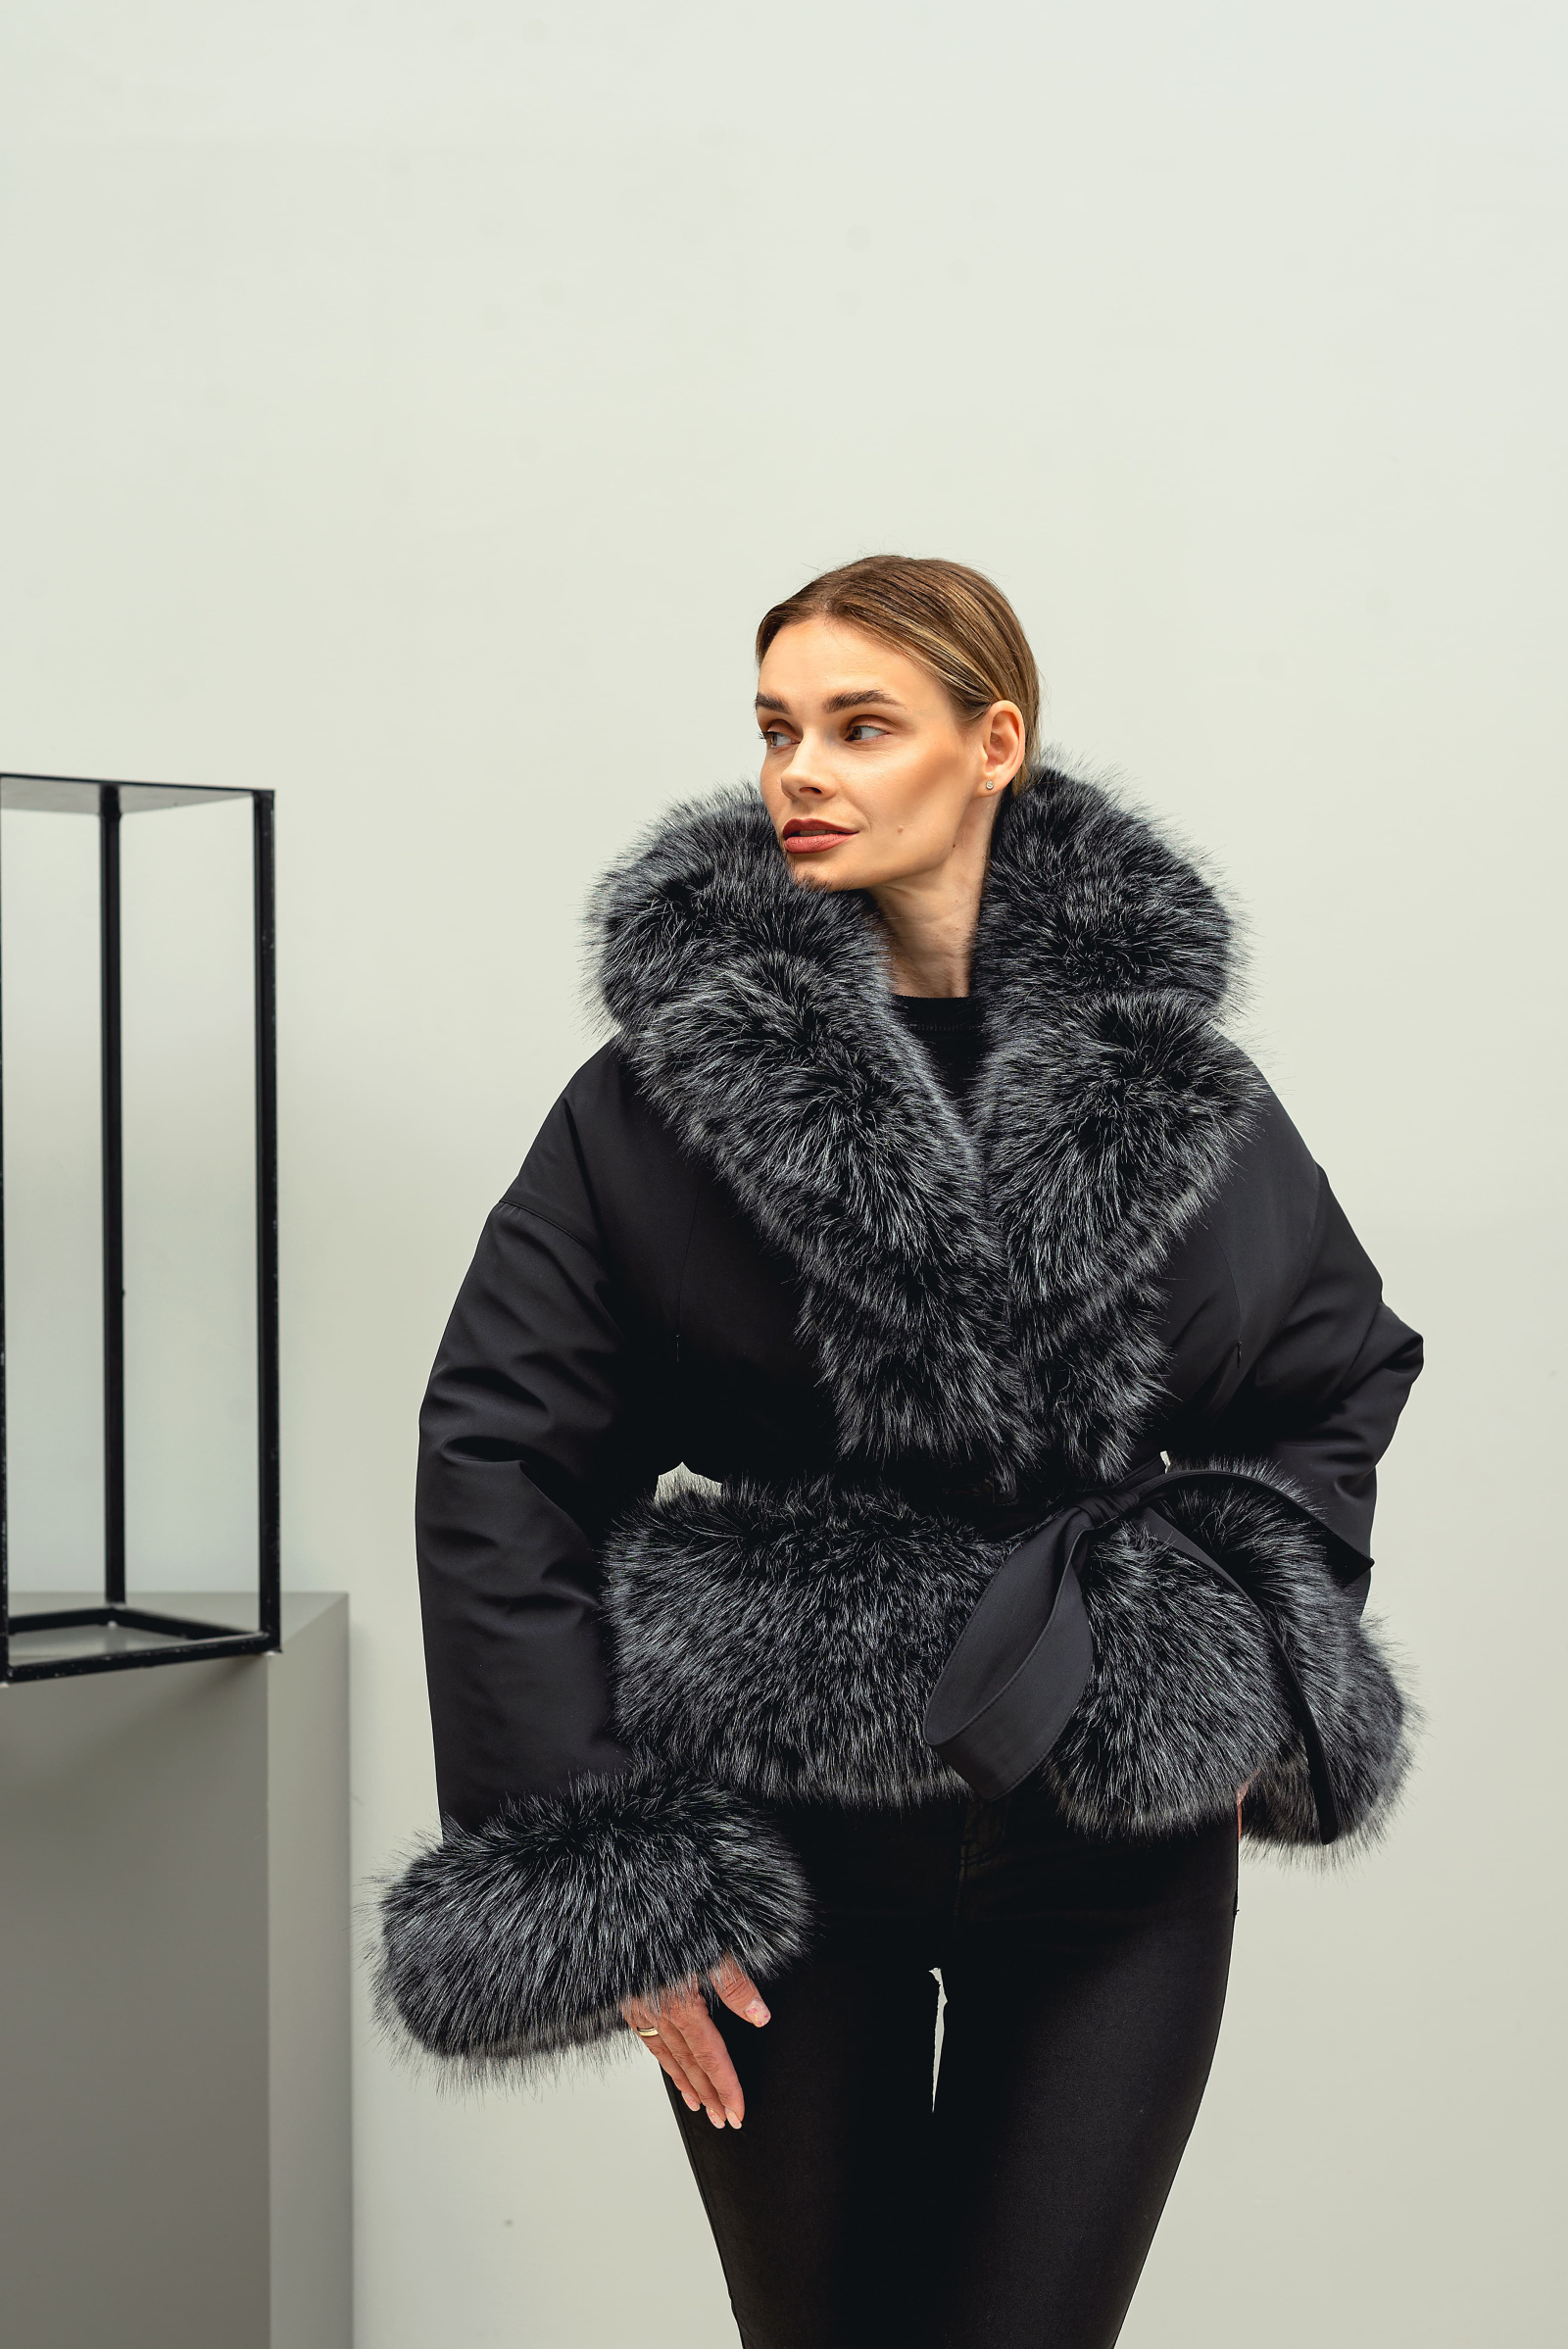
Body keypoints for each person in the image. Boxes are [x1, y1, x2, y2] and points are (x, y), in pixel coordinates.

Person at [377, 556, 1422, 2348]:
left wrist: (1236, 1642)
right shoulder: (654, 1096)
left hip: (1108, 1835)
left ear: (992, 744)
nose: (802, 769)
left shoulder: (1168, 1080)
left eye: (861, 725)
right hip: (784, 1821)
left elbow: (1339, 1369)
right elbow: (499, 1448)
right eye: (778, 727)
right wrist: (604, 1863)